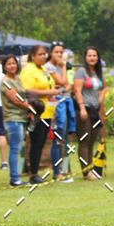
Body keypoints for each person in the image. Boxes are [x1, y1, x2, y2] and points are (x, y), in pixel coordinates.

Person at [20, 45, 59, 185]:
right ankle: (33, 174)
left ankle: (35, 171)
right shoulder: (29, 70)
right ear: (33, 56)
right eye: (40, 54)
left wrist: (53, 91)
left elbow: (49, 84)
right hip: (36, 112)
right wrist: (48, 93)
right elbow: (27, 90)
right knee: (36, 143)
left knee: (41, 142)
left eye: (44, 54)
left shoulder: (43, 69)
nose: (43, 57)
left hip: (47, 111)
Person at [0, 55, 36, 187]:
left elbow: (23, 96)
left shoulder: (18, 79)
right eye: (9, 64)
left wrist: (28, 110)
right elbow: (16, 99)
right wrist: (30, 107)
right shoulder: (5, 81)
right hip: (12, 118)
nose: (12, 66)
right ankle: (14, 178)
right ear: (4, 67)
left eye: (14, 63)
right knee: (15, 148)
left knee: (18, 147)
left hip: (21, 117)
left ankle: (16, 176)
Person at [73, 47, 106, 179]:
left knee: (92, 140)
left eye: (94, 55)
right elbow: (77, 90)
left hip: (94, 110)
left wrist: (100, 99)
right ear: (85, 57)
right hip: (84, 109)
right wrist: (82, 108)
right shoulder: (81, 71)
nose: (92, 58)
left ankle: (91, 169)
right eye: (89, 55)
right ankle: (86, 172)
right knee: (84, 140)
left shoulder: (98, 72)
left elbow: (103, 88)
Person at [45, 42, 75, 182]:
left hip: (63, 102)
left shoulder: (57, 67)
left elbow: (69, 85)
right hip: (55, 106)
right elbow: (64, 83)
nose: (59, 55)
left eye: (61, 52)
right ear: (51, 53)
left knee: (61, 139)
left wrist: (63, 86)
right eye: (56, 52)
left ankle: (61, 169)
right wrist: (63, 67)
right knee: (57, 138)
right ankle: (57, 172)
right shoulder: (49, 67)